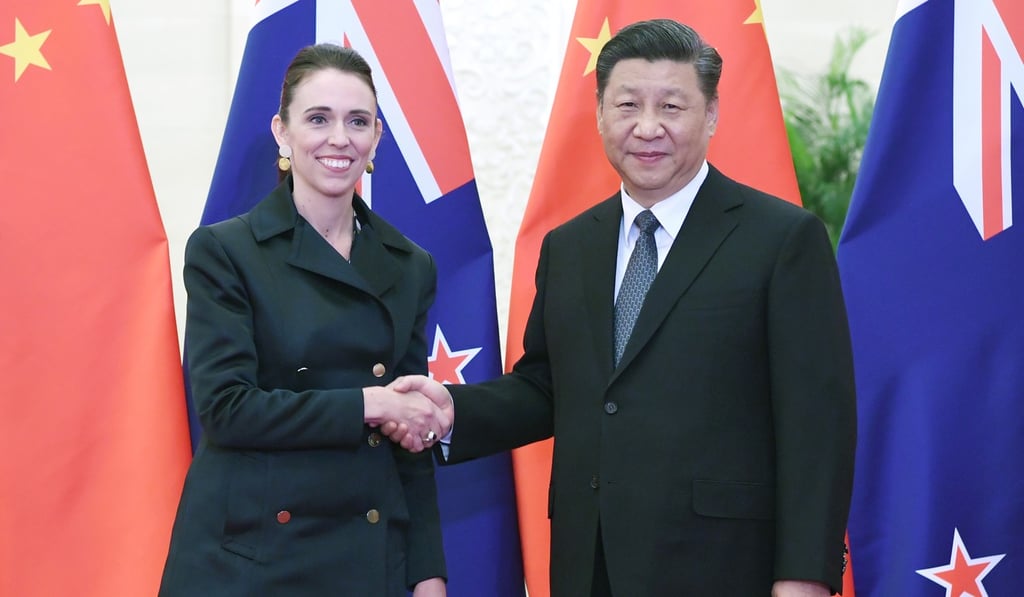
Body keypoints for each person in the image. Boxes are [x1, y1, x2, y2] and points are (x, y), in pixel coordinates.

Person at [389, 19, 856, 597]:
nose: (648, 127)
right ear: (600, 113)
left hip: (726, 567)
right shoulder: (570, 245)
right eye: (628, 104)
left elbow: (817, 425)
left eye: (672, 106)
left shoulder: (782, 239)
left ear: (710, 115)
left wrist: (805, 577)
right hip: (590, 563)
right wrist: (449, 412)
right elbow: (548, 388)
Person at [159, 44, 448, 597]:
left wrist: (427, 571)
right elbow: (227, 410)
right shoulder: (225, 250)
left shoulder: (411, 265)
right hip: (250, 559)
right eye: (318, 119)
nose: (339, 139)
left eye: (357, 121)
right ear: (282, 131)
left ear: (377, 139)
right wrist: (371, 402)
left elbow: (410, 437)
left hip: (368, 556)